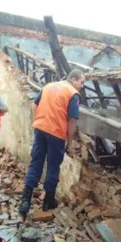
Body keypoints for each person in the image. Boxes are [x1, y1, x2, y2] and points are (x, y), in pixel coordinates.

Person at [19, 69, 85, 215]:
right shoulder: (73, 94)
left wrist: (38, 121)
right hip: (56, 133)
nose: (82, 86)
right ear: (73, 80)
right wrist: (69, 143)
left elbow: (34, 105)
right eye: (81, 82)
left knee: (35, 163)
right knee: (53, 167)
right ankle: (48, 202)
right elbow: (72, 120)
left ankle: (25, 201)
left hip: (40, 129)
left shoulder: (48, 86)